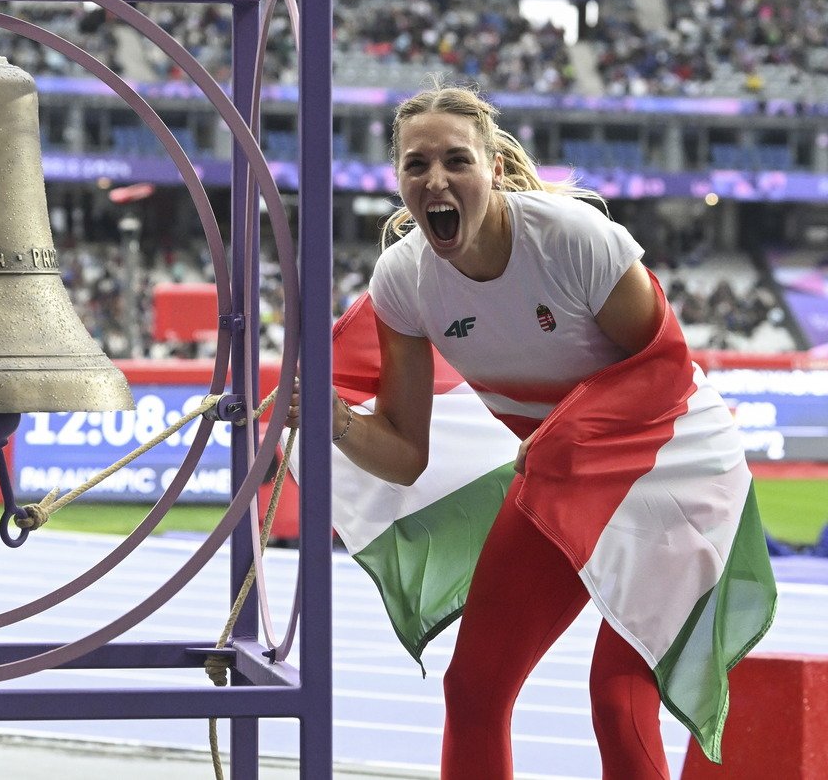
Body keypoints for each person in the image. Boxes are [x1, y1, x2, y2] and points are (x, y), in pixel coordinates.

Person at [287, 83, 774, 778]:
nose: (435, 179)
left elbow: (664, 376)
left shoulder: (575, 241)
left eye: (456, 160)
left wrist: (560, 441)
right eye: (415, 165)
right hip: (556, 472)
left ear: (492, 168)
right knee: (475, 686)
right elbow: (402, 456)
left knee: (617, 693)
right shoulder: (405, 279)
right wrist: (337, 421)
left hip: (673, 468)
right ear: (397, 177)